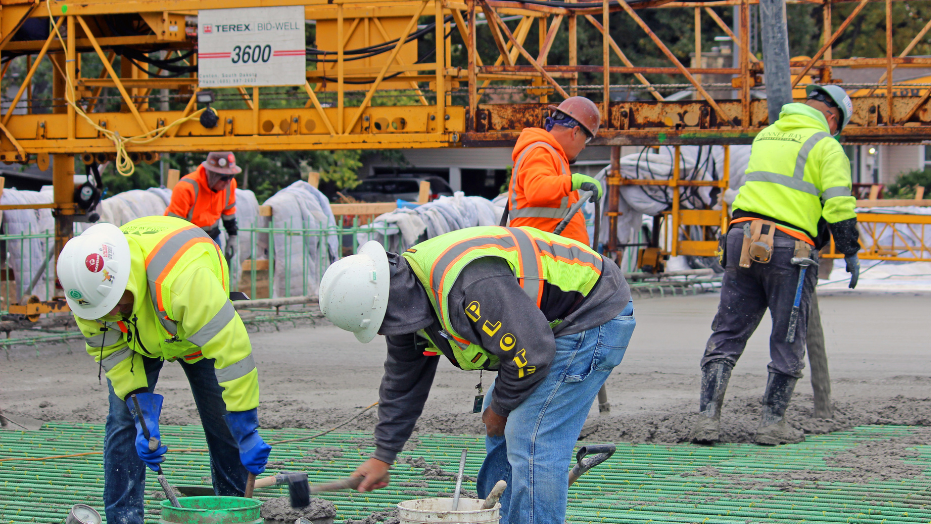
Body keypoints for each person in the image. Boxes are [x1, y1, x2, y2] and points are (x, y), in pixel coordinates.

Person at [318, 226, 635, 523]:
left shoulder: (468, 287)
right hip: (540, 329)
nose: (386, 331)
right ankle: (502, 515)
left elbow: (533, 353)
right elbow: (403, 383)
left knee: (531, 437)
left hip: (591, 311)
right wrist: (383, 456)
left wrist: (501, 408)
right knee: (499, 417)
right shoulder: (405, 296)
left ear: (389, 303)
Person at [56, 217, 270, 524]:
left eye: (115, 305)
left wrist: (245, 425)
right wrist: (138, 406)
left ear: (125, 280)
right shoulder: (88, 298)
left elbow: (233, 353)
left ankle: (234, 510)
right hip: (139, 337)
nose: (110, 314)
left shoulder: (186, 282)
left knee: (225, 423)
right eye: (102, 311)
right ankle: (123, 518)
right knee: (124, 422)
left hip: (193, 334)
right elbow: (113, 354)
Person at [688, 85, 862, 446]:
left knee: (727, 332)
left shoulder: (767, 135)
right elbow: (838, 204)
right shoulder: (826, 145)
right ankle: (772, 424)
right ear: (832, 118)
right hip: (789, 250)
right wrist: (849, 250)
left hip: (741, 238)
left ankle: (706, 421)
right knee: (788, 336)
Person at [502, 97, 604, 244]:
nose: (583, 147)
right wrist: (574, 181)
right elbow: (536, 189)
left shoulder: (552, 156)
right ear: (575, 132)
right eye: (586, 139)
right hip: (541, 252)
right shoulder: (540, 150)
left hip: (548, 251)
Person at [166, 151, 241, 262]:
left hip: (212, 237)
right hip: (188, 239)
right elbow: (174, 223)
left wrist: (233, 236)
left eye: (231, 176)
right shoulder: (186, 187)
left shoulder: (230, 185)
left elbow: (228, 213)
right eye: (224, 177)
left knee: (217, 269)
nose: (228, 182)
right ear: (212, 174)